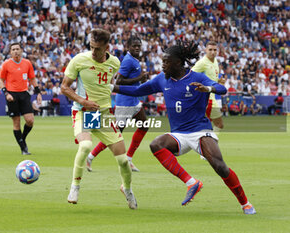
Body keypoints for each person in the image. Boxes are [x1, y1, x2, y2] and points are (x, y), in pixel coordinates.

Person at [111, 41, 256, 214]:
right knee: (156, 144)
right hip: (179, 134)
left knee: (220, 166)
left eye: (166, 61)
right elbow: (137, 90)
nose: (162, 65)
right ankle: (191, 182)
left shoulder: (196, 77)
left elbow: (222, 88)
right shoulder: (162, 79)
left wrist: (208, 88)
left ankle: (245, 203)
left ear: (178, 62)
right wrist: (111, 87)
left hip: (200, 131)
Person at [61, 28, 137, 209]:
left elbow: (111, 83)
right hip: (83, 112)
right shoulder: (79, 60)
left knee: (123, 161)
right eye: (91, 47)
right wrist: (82, 101)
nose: (93, 51)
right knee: (86, 145)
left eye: (97, 48)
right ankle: (75, 187)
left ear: (107, 47)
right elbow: (64, 87)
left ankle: (127, 190)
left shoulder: (115, 63)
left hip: (104, 115)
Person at [86, 35, 149, 172]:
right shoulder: (128, 61)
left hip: (134, 101)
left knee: (144, 126)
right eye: (134, 46)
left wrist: (142, 81)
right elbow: (118, 81)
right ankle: (90, 157)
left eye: (139, 46)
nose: (137, 48)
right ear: (128, 47)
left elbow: (133, 81)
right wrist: (140, 78)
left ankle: (130, 158)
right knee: (114, 135)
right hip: (125, 104)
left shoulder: (134, 60)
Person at [0, 42, 42, 155]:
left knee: (30, 120)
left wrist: (38, 92)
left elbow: (32, 79)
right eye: (13, 49)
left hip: (24, 93)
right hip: (12, 95)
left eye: (17, 49)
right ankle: (23, 148)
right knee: (16, 123)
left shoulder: (27, 63)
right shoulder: (6, 64)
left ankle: (22, 138)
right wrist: (6, 93)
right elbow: (1, 80)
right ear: (10, 52)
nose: (16, 51)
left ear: (21, 50)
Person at [192, 41, 225, 132]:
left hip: (211, 96)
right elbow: (190, 76)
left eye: (215, 50)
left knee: (204, 126)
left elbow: (211, 79)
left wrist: (218, 81)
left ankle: (205, 143)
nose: (213, 52)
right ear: (205, 50)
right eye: (210, 50)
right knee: (219, 124)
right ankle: (210, 144)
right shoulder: (202, 63)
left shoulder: (215, 61)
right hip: (206, 98)